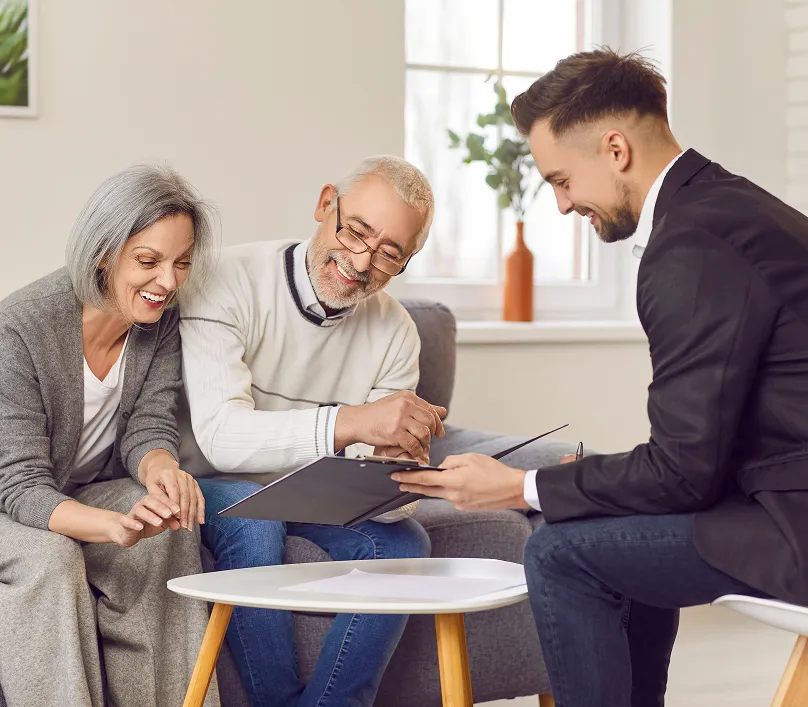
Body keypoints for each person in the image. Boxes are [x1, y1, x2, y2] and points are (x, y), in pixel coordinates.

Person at [392, 48, 808, 707]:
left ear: (615, 148)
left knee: (561, 554)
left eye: (561, 179)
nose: (560, 205)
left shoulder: (692, 245)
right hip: (782, 495)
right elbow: (703, 454)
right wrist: (585, 482)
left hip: (794, 521)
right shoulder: (732, 208)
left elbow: (683, 474)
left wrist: (518, 486)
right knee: (597, 529)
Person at [178, 155, 441, 707]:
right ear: (325, 205)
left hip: (307, 491)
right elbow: (219, 437)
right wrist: (353, 423)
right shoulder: (223, 277)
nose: (361, 260)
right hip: (209, 477)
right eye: (356, 230)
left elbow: (374, 497)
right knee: (254, 521)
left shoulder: (397, 333)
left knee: (402, 543)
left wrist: (402, 471)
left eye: (390, 253)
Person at [0, 165, 219, 707]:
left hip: (76, 490)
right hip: (10, 504)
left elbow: (147, 426)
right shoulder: (19, 329)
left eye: (181, 263)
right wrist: (110, 526)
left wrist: (163, 470)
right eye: (148, 261)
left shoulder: (158, 320)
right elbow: (20, 485)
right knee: (51, 559)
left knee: (168, 523)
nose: (167, 282)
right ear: (103, 253)